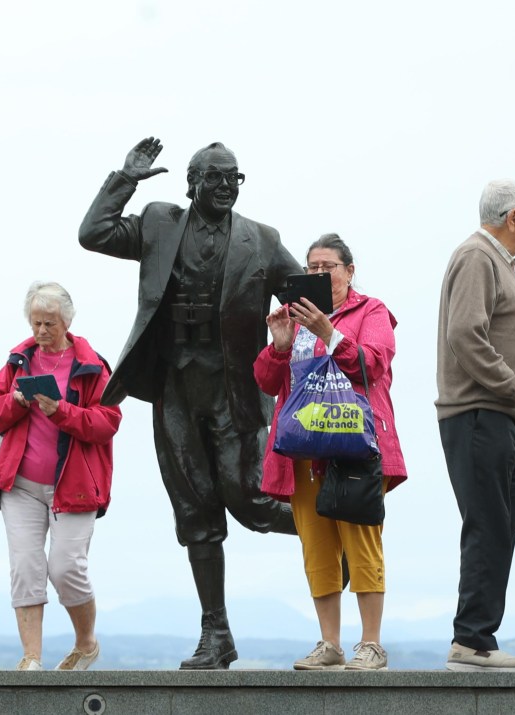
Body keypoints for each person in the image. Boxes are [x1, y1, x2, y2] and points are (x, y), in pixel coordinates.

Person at [78, 137, 302, 669]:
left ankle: (327, 524)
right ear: (192, 182)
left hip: (234, 392)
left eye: (234, 178)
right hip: (175, 388)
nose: (226, 187)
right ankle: (216, 634)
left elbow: (309, 296)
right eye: (216, 178)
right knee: (195, 511)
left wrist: (352, 323)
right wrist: (124, 180)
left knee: (249, 500)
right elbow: (93, 233)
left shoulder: (262, 240)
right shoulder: (158, 222)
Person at [254, 233, 407, 671]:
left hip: (353, 446)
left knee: (361, 539)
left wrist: (330, 332)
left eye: (329, 267)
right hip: (303, 450)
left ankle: (372, 644)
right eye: (312, 268)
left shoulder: (371, 310)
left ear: (350, 271)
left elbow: (372, 363)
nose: (320, 275)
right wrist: (280, 346)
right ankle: (329, 643)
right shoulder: (295, 318)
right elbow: (267, 382)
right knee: (316, 546)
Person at [436, 180, 515, 672]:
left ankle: (478, 639)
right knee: (488, 524)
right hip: (481, 414)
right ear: (512, 217)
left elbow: (487, 333)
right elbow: (465, 335)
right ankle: (471, 642)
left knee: (502, 524)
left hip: (497, 415)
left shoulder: (495, 262)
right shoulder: (477, 258)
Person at [0, 281, 122, 671]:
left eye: (50, 323)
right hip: (20, 485)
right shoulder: (17, 360)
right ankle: (31, 659)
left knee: (65, 567)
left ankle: (86, 643)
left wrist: (61, 412)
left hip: (73, 486)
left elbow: (108, 421)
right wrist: (17, 401)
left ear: (67, 322)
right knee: (26, 567)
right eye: (36, 322)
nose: (41, 331)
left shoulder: (92, 365)